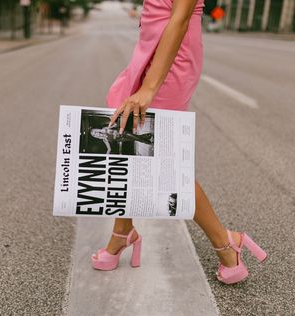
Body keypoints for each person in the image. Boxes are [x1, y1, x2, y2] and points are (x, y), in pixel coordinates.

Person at [91, 0, 268, 284]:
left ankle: (226, 243)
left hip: (171, 57)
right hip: (151, 50)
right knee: (131, 144)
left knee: (164, 158)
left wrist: (150, 87)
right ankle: (123, 232)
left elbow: (180, 17)